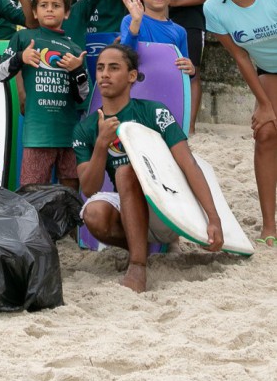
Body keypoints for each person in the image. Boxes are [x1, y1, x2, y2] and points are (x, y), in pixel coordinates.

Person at [73, 44, 223, 293]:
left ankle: (137, 266)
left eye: (114, 68)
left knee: (125, 171)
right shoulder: (86, 128)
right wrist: (101, 144)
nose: (104, 74)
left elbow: (188, 164)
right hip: (128, 206)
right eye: (100, 68)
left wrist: (213, 219)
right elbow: (89, 188)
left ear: (132, 76)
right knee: (94, 214)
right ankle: (141, 249)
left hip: (166, 206)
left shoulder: (154, 112)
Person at [203, 0, 277, 245]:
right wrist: (264, 104)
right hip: (269, 70)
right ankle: (269, 226)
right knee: (266, 132)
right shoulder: (213, 8)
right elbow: (241, 56)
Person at [0, 0, 89, 188]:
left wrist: (77, 71)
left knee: (70, 195)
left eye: (56, 5)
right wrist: (21, 57)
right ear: (35, 12)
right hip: (37, 136)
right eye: (43, 5)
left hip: (69, 136)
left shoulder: (74, 49)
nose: (49, 9)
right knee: (32, 193)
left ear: (66, 13)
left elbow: (82, 96)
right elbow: (0, 74)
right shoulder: (23, 38)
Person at [159, 0, 216, 134]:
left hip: (193, 23)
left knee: (192, 72)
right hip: (166, 23)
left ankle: (190, 126)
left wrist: (175, 2)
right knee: (165, 72)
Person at [119, 0, 195, 77]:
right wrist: (136, 22)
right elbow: (125, 58)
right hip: (137, 86)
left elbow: (184, 69)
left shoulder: (180, 31)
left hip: (167, 86)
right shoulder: (130, 20)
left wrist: (191, 70)